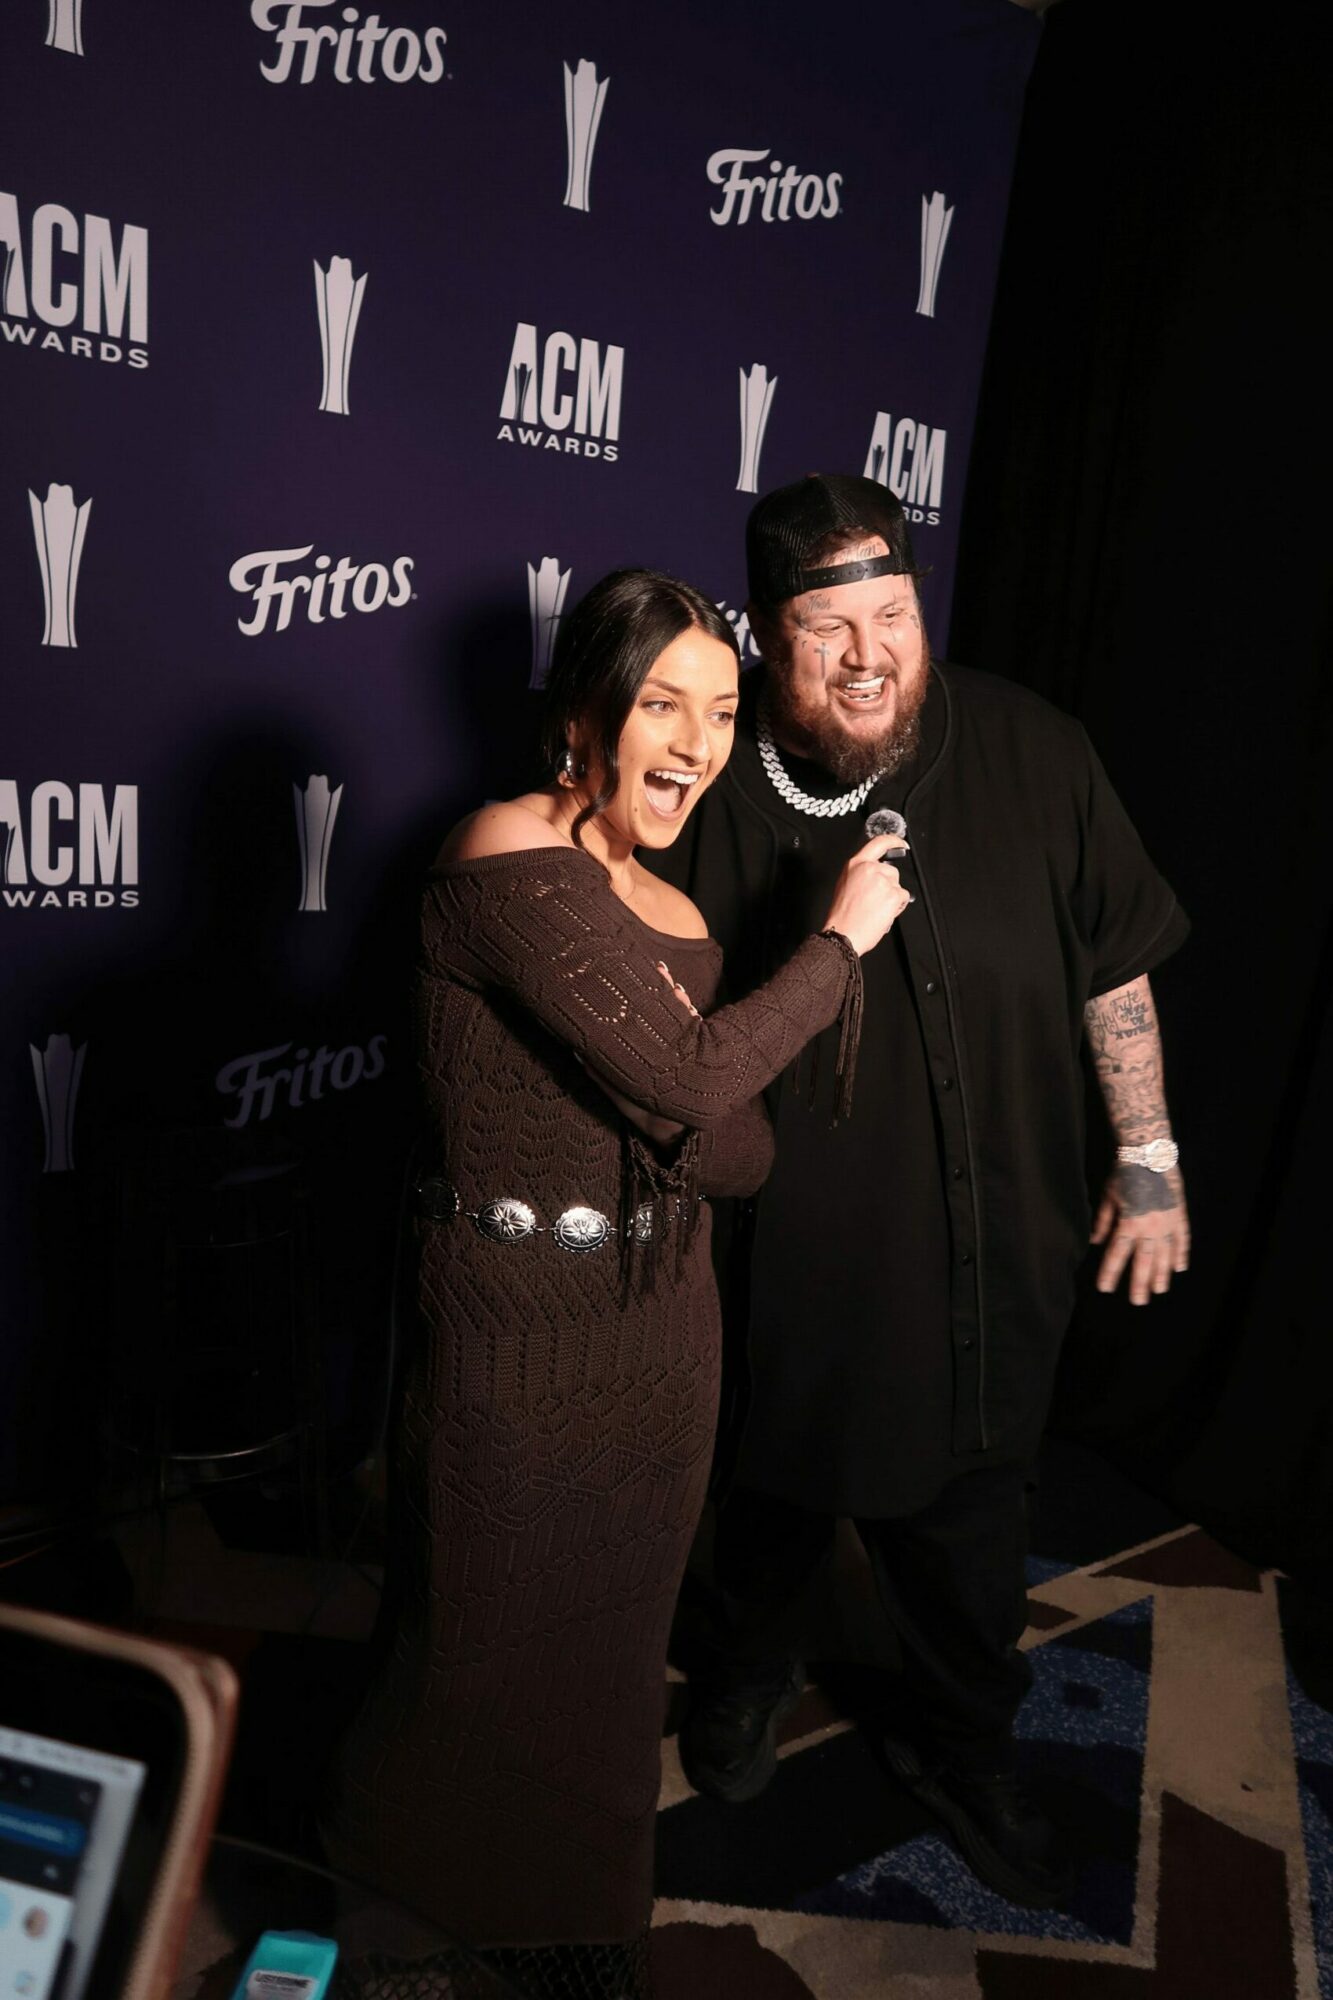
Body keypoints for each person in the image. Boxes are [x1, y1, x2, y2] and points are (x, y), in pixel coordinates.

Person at [318, 568, 909, 1997]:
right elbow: (701, 1088)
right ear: (586, 708)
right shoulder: (503, 853)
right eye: (661, 704)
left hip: (659, 1343)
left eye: (722, 712)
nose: (697, 744)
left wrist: (690, 1094)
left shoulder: (671, 912)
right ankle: (393, 1935)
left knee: (605, 1677)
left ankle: (579, 1936)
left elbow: (741, 1150)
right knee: (467, 1658)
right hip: (512, 1345)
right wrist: (838, 944)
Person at [650, 475, 1190, 1909]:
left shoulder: (1035, 749)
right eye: (827, 628)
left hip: (995, 1252)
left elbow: (1114, 964)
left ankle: (963, 1747)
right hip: (790, 1267)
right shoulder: (709, 787)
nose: (869, 655)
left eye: (892, 614)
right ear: (765, 636)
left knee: (972, 1534)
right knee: (767, 1505)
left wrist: (1148, 1156)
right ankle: (744, 1677)